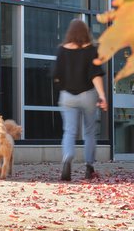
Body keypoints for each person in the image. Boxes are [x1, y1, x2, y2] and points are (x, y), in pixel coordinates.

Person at [53, 19, 108, 181]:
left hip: (67, 96)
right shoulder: (91, 50)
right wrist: (102, 96)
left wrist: (63, 87)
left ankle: (67, 157)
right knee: (90, 131)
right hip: (88, 96)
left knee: (69, 131)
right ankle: (89, 167)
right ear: (86, 33)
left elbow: (56, 75)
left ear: (69, 33)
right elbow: (95, 75)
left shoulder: (62, 50)